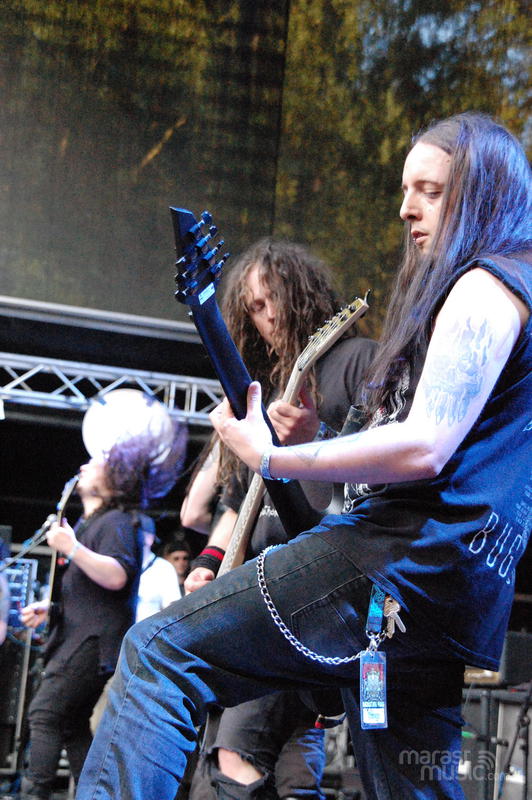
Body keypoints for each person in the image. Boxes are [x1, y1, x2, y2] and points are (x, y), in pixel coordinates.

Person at [76, 112, 531, 800]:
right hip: (435, 608)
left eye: (431, 191)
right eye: (406, 189)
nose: (406, 209)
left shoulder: (485, 284)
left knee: (159, 654)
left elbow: (424, 446)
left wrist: (273, 457)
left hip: (389, 572)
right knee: (407, 781)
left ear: (485, 194)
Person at [183, 238, 376, 800]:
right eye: (252, 308)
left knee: (234, 756)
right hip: (259, 587)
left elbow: (385, 475)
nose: (265, 317)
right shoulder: (266, 391)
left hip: (317, 594)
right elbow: (238, 503)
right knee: (290, 772)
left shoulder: (358, 362)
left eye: (271, 300)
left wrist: (316, 439)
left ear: (303, 294)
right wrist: (209, 561)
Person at [19, 422, 186, 800]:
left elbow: (116, 575)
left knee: (45, 713)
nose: (84, 466)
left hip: (92, 642)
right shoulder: (92, 523)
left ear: (114, 479)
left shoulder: (116, 522)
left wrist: (72, 548)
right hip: (81, 636)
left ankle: (34, 793)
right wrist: (52, 608)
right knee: (71, 724)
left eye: (95, 462)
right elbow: (90, 592)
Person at [136, 517, 181, 621]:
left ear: (150, 538)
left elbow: (172, 609)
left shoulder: (163, 568)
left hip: (148, 629)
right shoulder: (119, 565)